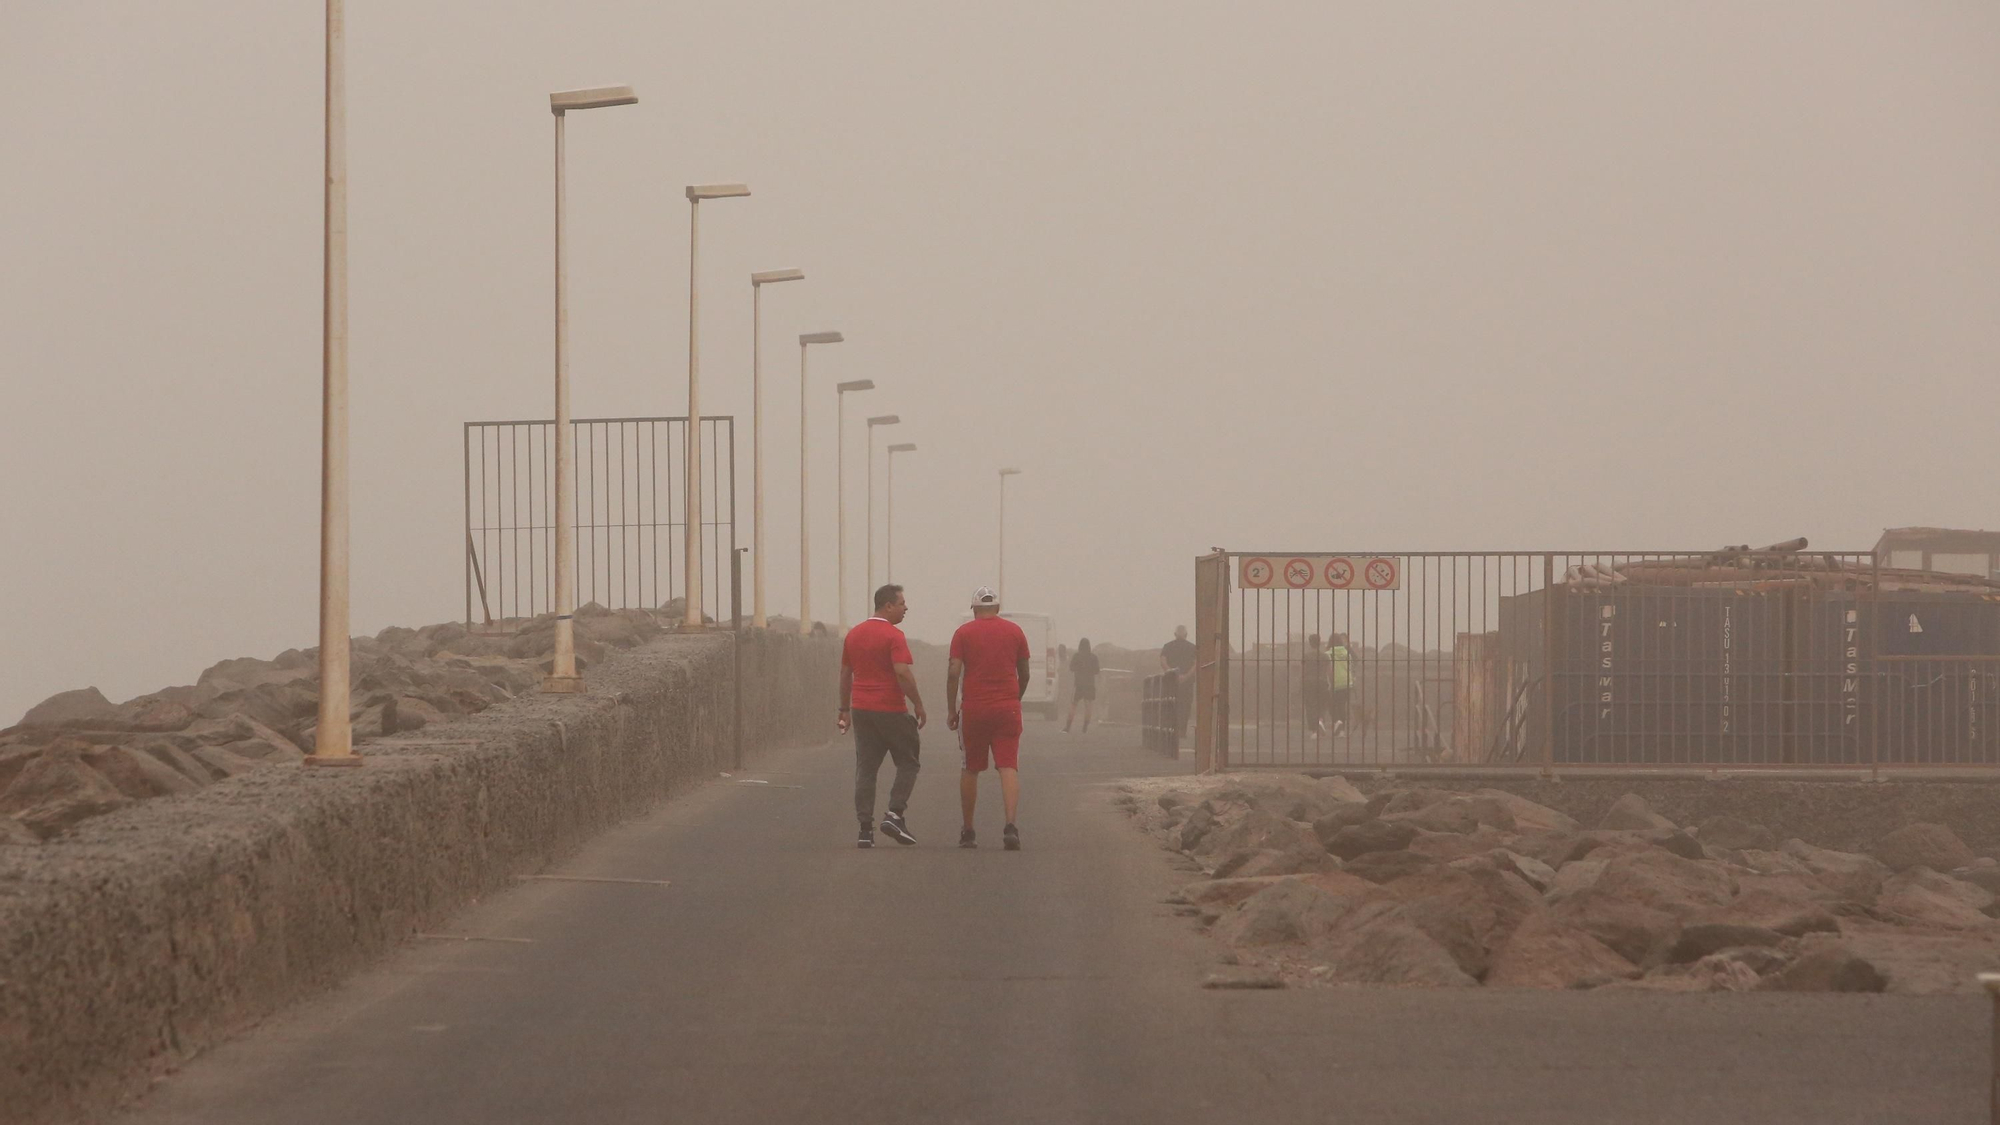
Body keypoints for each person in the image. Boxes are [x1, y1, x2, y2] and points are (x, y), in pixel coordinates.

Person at [840, 584, 927, 849]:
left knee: (866, 768)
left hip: (861, 708)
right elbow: (902, 672)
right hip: (890, 708)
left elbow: (845, 674)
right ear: (887, 606)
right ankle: (894, 814)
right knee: (908, 762)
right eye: (902, 604)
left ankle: (865, 830)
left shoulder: (853, 635)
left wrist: (844, 709)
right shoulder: (894, 636)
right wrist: (919, 704)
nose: (905, 608)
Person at [946, 585, 1031, 850]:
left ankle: (968, 830)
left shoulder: (963, 633)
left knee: (970, 767)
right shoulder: (1015, 632)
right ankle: (1010, 826)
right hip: (1007, 707)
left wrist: (951, 709)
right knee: (1008, 765)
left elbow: (953, 672)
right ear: (996, 608)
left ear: (975, 610)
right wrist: (1016, 697)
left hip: (974, 708)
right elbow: (1024, 672)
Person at [1160, 625, 1198, 737]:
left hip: (1171, 681)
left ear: (1175, 634)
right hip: (1187, 682)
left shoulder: (1167, 646)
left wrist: (1172, 673)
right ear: (1186, 635)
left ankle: (1171, 730)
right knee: (1185, 706)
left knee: (1171, 704)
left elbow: (1163, 661)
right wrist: (1186, 676)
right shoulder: (1193, 647)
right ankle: (1182, 731)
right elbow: (1196, 664)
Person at [1063, 638, 1100, 734]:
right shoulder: (1093, 657)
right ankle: (1085, 728)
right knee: (1088, 706)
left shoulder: (1076, 656)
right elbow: (1097, 671)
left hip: (1078, 684)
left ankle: (1067, 727)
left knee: (1073, 704)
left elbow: (1071, 668)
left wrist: (1079, 670)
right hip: (1090, 685)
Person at [1300, 633, 1329, 735]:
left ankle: (1313, 730)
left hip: (1309, 682)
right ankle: (1320, 720)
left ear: (1310, 643)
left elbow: (1303, 670)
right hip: (1322, 681)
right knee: (1322, 704)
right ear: (1319, 643)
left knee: (1310, 705)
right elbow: (1328, 671)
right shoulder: (1325, 656)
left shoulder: (1306, 656)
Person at [1326, 632, 1354, 737]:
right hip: (1347, 682)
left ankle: (1337, 723)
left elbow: (1328, 669)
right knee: (1342, 706)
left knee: (1332, 706)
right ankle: (1342, 730)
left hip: (1334, 682)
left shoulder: (1329, 653)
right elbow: (1350, 667)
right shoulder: (1347, 653)